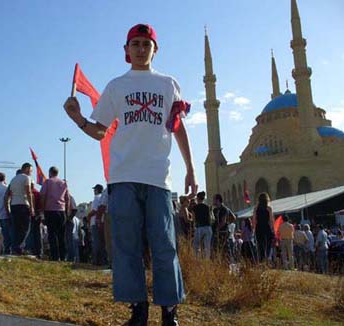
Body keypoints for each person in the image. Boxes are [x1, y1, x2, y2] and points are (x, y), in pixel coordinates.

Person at [64, 23, 197, 325]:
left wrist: (190, 168)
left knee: (164, 243)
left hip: (158, 178)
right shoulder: (116, 87)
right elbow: (100, 131)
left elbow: (177, 128)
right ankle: (138, 309)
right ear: (126, 50)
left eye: (145, 44)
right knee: (126, 246)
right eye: (135, 44)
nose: (140, 49)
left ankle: (169, 312)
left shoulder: (168, 84)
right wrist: (77, 118)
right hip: (122, 176)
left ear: (155, 49)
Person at [40, 166, 69, 261]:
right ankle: (63, 256)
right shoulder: (64, 183)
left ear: (50, 172)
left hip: (50, 210)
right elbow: (67, 198)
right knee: (61, 235)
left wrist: (42, 211)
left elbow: (43, 196)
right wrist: (67, 211)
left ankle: (55, 256)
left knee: (52, 234)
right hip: (61, 211)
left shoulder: (47, 182)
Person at [5, 163, 34, 255]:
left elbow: (7, 195)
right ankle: (20, 246)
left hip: (14, 205)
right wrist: (32, 206)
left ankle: (15, 247)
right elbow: (28, 192)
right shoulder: (26, 178)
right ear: (26, 169)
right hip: (23, 204)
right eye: (30, 170)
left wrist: (8, 207)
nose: (31, 172)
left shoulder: (13, 179)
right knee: (26, 227)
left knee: (16, 228)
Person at [87, 184, 107, 266]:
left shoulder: (97, 197)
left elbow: (95, 210)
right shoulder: (102, 197)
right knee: (102, 243)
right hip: (101, 221)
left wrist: (88, 216)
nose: (94, 191)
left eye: (94, 189)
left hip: (95, 222)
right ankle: (102, 260)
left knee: (96, 242)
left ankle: (95, 260)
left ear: (97, 190)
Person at [252, 193, 275, 263]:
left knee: (260, 246)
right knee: (268, 246)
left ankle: (262, 261)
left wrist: (254, 229)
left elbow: (254, 220)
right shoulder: (269, 209)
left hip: (259, 228)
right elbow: (271, 221)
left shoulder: (256, 209)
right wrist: (272, 229)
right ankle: (267, 259)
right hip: (267, 228)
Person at [192, 191, 212, 259]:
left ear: (197, 198)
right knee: (207, 247)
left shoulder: (194, 208)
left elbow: (193, 219)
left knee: (196, 246)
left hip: (199, 228)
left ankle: (197, 259)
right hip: (207, 227)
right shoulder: (207, 207)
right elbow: (210, 218)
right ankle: (207, 262)